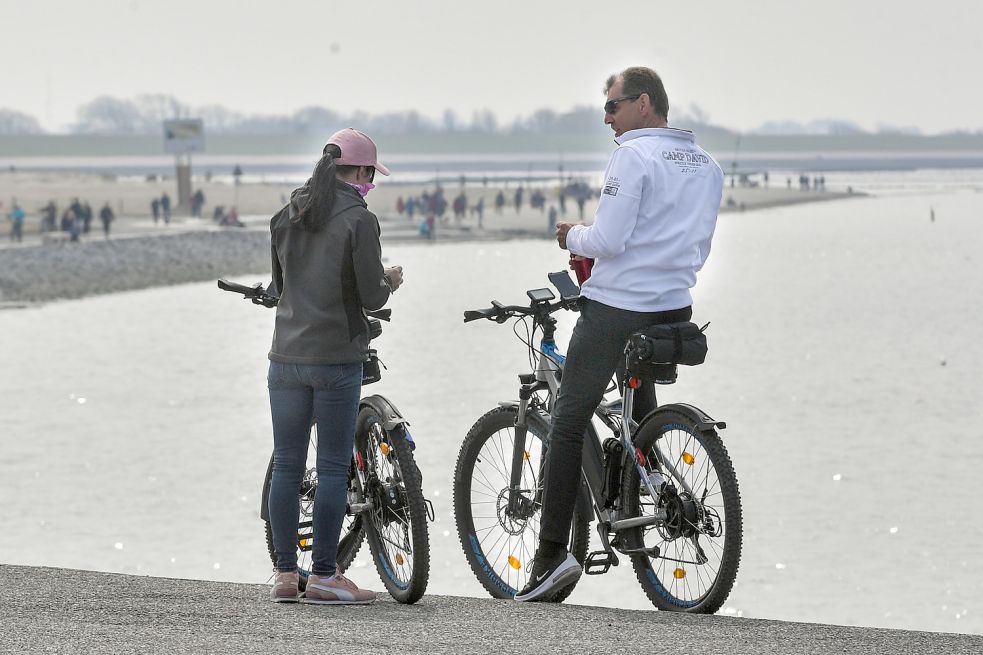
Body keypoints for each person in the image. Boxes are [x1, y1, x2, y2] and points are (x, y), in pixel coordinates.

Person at [514, 66, 724, 602]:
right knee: (640, 417)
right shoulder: (705, 163)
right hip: (675, 307)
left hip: (618, 309)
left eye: (612, 106)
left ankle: (551, 559)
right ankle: (636, 505)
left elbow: (607, 238)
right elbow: (694, 243)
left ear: (644, 103)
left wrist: (571, 235)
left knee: (567, 421)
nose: (607, 117)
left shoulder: (633, 155)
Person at [266, 128, 404, 605]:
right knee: (329, 468)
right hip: (337, 358)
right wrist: (389, 281)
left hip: (285, 358)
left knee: (286, 464)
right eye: (372, 175)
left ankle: (286, 576)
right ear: (362, 172)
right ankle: (325, 574)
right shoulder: (359, 221)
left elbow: (280, 285)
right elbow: (370, 294)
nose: (371, 184)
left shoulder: (286, 215)